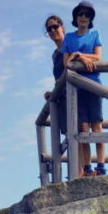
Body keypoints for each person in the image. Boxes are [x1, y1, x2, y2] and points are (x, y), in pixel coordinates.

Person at [62, 0, 105, 176]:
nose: (84, 17)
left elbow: (98, 57)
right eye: (80, 14)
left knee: (97, 126)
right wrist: (79, 58)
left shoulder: (95, 35)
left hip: (93, 85)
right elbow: (66, 62)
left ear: (91, 18)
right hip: (76, 90)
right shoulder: (69, 38)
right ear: (75, 17)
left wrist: (78, 55)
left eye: (87, 15)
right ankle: (87, 168)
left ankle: (101, 167)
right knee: (83, 128)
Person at [43, 14, 67, 143]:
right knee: (70, 136)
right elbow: (59, 78)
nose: (52, 30)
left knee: (79, 133)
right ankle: (78, 164)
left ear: (62, 27)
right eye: (49, 29)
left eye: (55, 26)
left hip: (76, 95)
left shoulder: (71, 45)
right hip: (63, 99)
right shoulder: (55, 55)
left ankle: (84, 164)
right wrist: (54, 92)